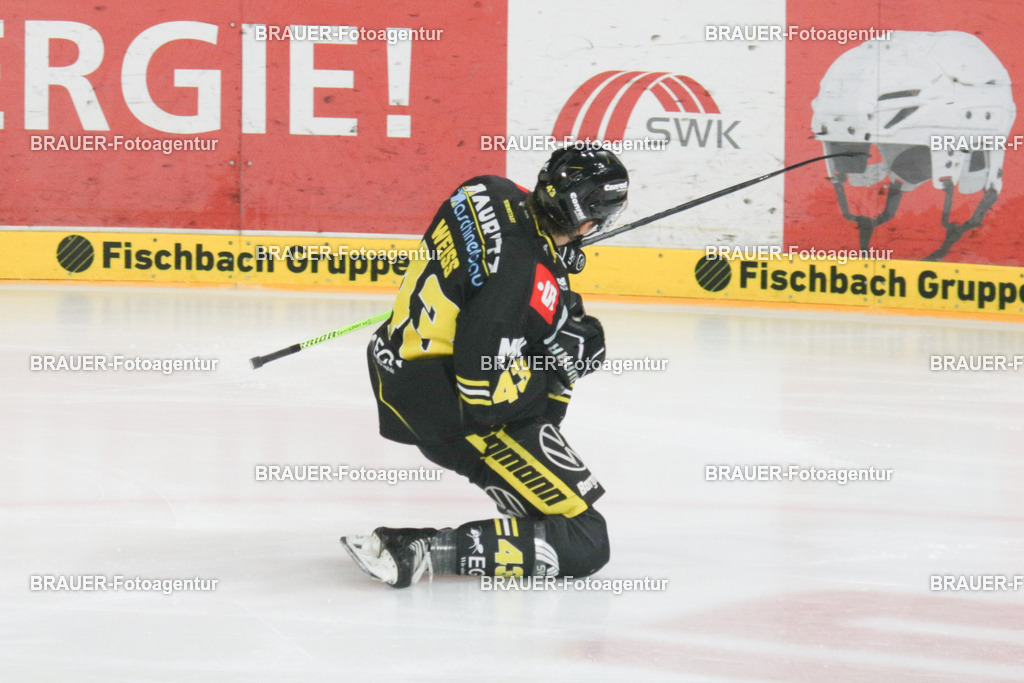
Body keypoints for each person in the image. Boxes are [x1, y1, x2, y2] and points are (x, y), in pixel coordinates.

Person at [341, 144, 629, 587]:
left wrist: (551, 266)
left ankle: (525, 495)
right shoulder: (522, 273)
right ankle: (418, 550)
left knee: (562, 329)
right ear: (589, 220)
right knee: (585, 540)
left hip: (400, 363)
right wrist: (560, 361)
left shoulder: (485, 188)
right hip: (444, 407)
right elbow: (481, 390)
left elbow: (497, 263)